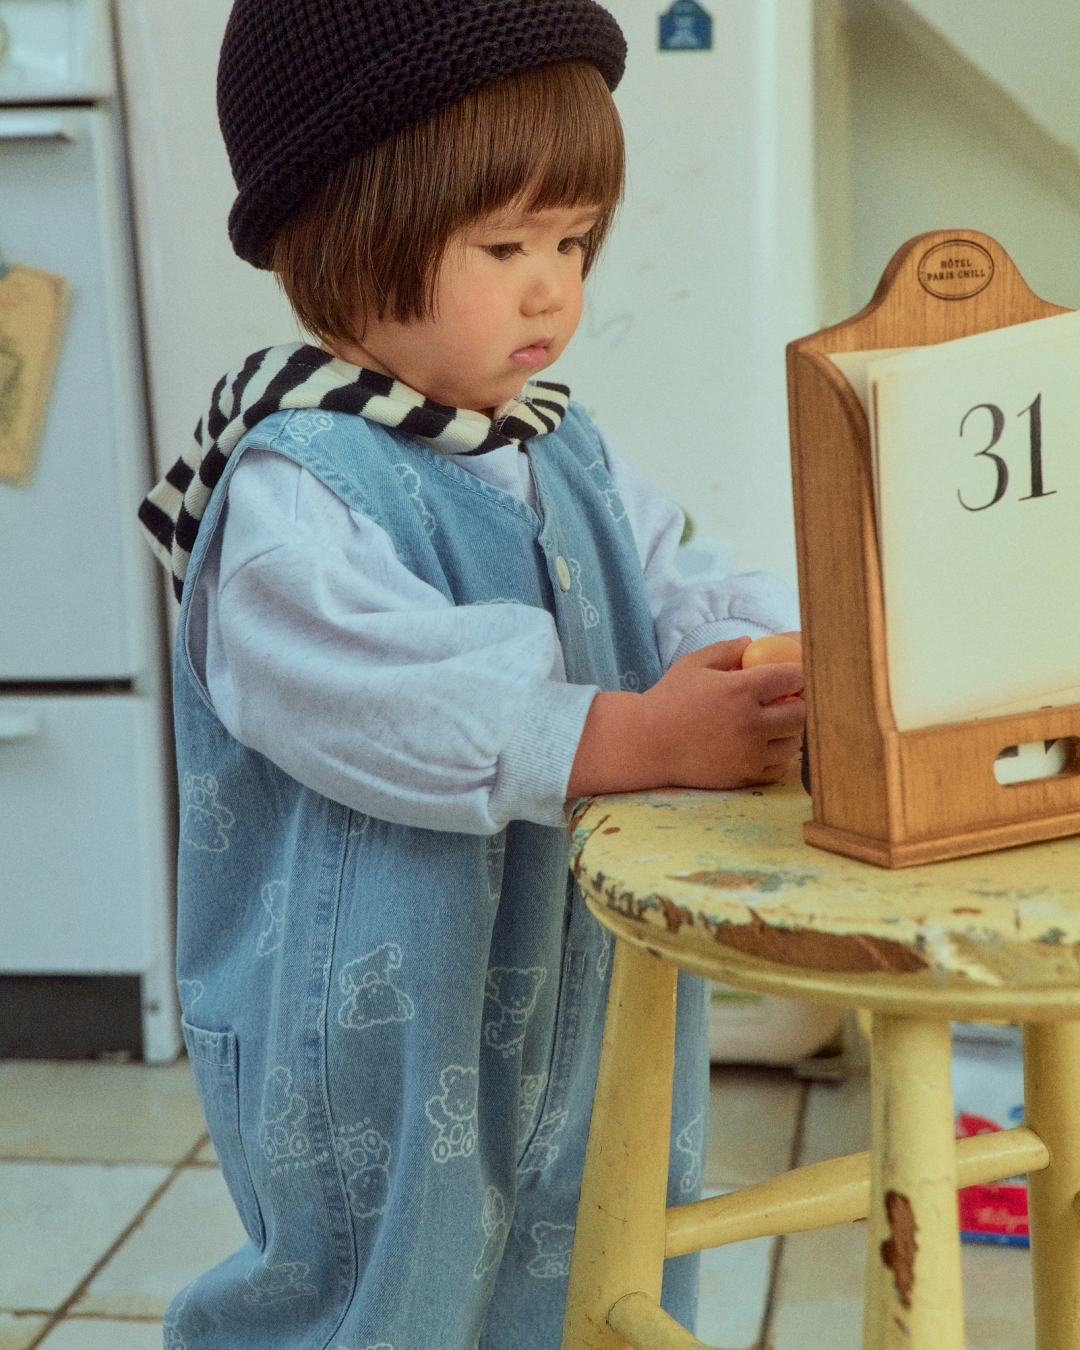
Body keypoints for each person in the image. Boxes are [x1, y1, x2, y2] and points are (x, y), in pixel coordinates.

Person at [138, 2, 805, 1346]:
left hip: (576, 982)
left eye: (574, 241)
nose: (552, 285)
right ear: (342, 234)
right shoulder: (293, 488)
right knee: (383, 1286)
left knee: (594, 1246)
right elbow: (394, 698)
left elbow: (682, 578)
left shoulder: (562, 446)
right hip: (388, 1015)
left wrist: (785, 656)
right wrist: (642, 735)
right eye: (503, 245)